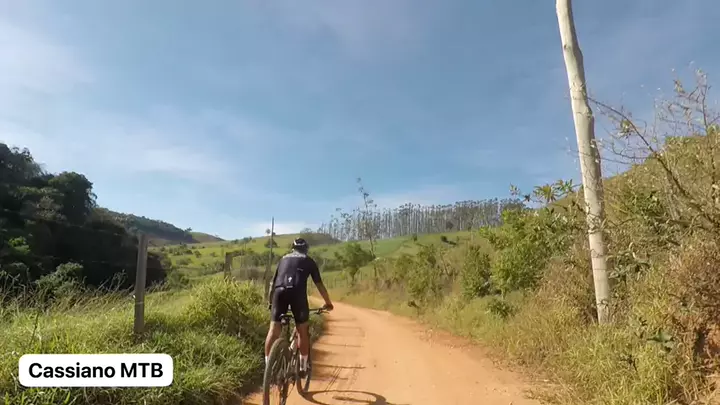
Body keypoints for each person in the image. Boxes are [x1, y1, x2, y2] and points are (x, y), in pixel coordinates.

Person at [265, 237, 333, 377]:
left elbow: (272, 283)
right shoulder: (309, 261)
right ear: (306, 249)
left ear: (293, 248)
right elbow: (319, 284)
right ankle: (302, 367)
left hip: (279, 293)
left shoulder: (283, 259)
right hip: (297, 294)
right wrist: (328, 303)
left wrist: (270, 302)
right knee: (302, 330)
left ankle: (268, 367)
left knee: (274, 329)